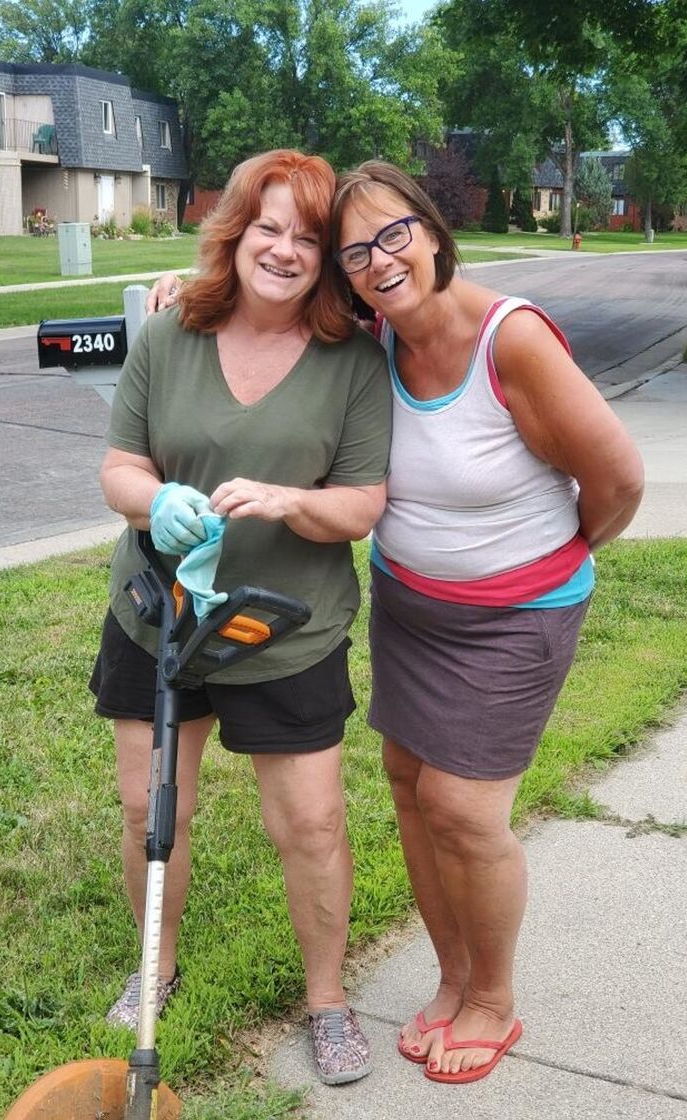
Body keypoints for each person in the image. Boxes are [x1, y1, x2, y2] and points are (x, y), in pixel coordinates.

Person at [148, 160, 644, 1085]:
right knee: (411, 790)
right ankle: (453, 980)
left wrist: (554, 555)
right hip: (411, 609)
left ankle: (492, 1000)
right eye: (356, 252)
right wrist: (190, 289)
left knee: (464, 810)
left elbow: (618, 480)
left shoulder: (510, 338)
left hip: (513, 618)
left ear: (431, 230)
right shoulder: (377, 336)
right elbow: (265, 305)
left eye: (394, 235)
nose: (379, 261)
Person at [90, 149, 391, 1086]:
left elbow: (363, 505)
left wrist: (289, 501)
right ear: (237, 231)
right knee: (150, 808)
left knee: (312, 824)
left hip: (284, 628)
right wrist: (154, 502)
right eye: (268, 226)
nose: (284, 249)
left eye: (308, 237)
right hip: (159, 616)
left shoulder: (353, 363)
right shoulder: (170, 330)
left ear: (327, 258)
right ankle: (156, 968)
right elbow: (120, 467)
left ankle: (327, 1000)